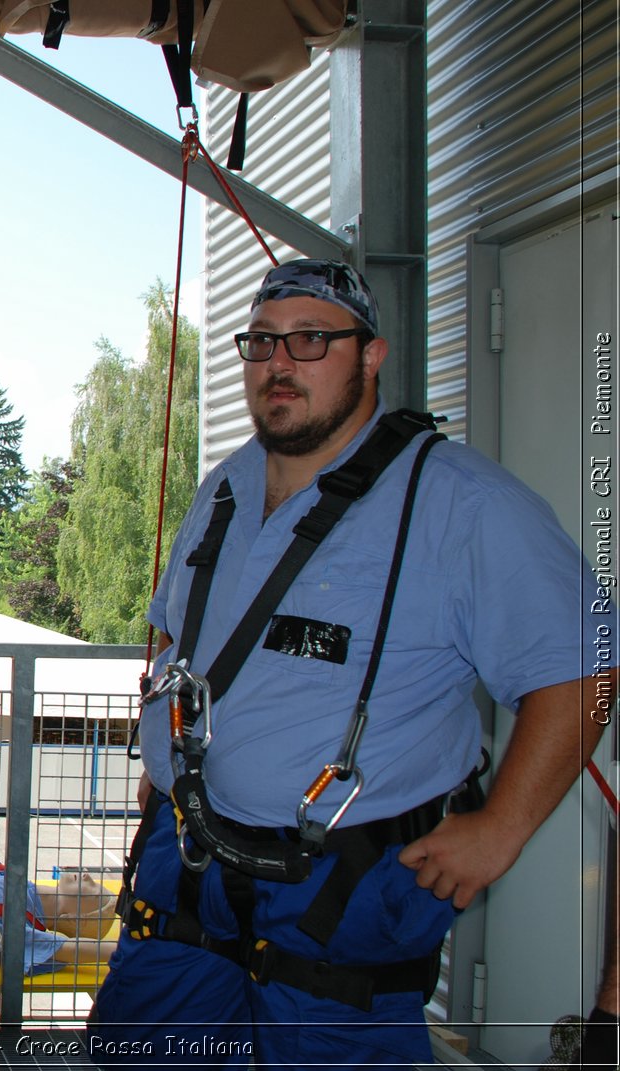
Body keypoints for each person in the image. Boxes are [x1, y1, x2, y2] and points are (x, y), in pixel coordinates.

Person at [86, 258, 611, 1066]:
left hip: (341, 898)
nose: (279, 362)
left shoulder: (457, 504)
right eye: (261, 342)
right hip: (185, 868)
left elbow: (587, 664)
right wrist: (159, 780)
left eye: (310, 339)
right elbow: (174, 641)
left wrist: (501, 828)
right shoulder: (223, 490)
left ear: (372, 356)